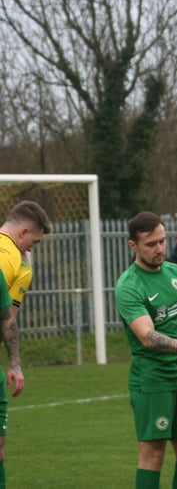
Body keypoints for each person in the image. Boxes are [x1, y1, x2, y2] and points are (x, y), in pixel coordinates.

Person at [115, 211, 177, 489]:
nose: (159, 249)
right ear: (133, 245)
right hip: (152, 381)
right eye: (151, 244)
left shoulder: (175, 272)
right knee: (153, 455)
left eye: (162, 241)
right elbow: (146, 336)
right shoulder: (129, 286)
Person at [0, 200, 50, 486]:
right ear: (24, 232)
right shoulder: (17, 261)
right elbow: (9, 318)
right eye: (33, 242)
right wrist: (15, 364)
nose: (31, 250)